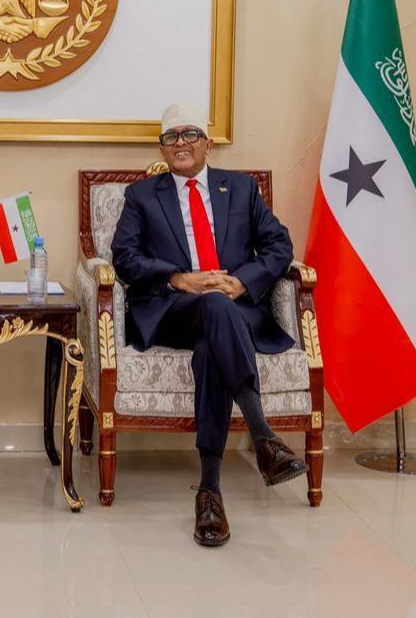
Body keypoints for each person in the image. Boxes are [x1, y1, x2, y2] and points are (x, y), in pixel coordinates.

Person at [110, 101, 306, 547]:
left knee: (211, 339)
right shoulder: (142, 195)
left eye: (189, 134)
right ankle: (265, 437)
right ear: (162, 149)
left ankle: (210, 492)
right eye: (171, 137)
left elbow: (279, 245)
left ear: (208, 144)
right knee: (212, 309)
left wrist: (241, 282)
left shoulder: (241, 189)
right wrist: (179, 278)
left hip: (232, 310)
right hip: (172, 309)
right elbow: (125, 257)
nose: (180, 143)